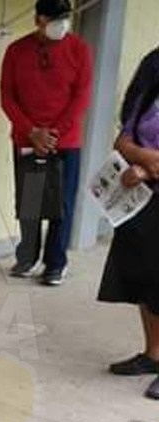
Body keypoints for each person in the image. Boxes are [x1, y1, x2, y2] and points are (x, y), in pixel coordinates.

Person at [0, 0, 92, 286]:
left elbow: (82, 96)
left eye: (66, 18)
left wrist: (53, 133)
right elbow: (7, 96)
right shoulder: (16, 51)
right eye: (56, 19)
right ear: (39, 20)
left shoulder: (79, 49)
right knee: (30, 202)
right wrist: (32, 132)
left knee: (61, 205)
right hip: (27, 138)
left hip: (65, 141)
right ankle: (27, 257)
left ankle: (55, 263)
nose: (62, 24)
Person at [98, 47, 159, 399]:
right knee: (145, 276)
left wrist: (147, 165)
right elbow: (123, 138)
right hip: (144, 195)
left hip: (149, 180)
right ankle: (153, 355)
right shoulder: (153, 72)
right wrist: (142, 159)